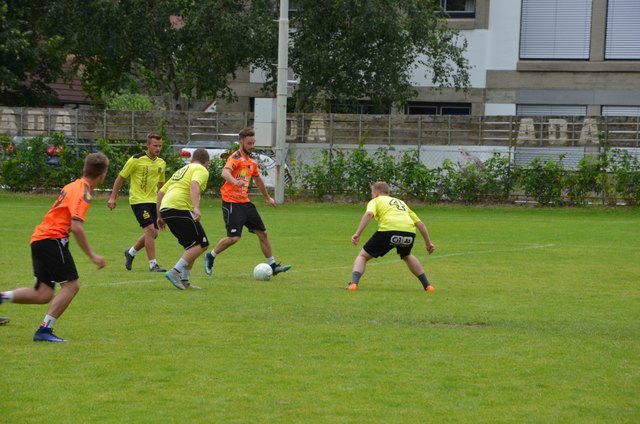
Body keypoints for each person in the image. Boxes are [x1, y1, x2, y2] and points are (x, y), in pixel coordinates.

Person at [0, 153, 109, 342]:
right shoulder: (83, 192)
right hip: (52, 239)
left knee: (43, 293)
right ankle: (44, 330)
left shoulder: (72, 185)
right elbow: (76, 227)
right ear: (103, 175)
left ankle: (2, 297)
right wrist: (92, 255)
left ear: (85, 168)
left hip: (40, 239)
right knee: (71, 286)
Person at [203, 127, 291, 277]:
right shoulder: (235, 157)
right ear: (241, 142)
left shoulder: (252, 162)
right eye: (249, 143)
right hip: (231, 203)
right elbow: (225, 172)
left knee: (262, 233)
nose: (252, 146)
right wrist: (234, 181)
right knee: (234, 238)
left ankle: (273, 265)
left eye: (253, 143)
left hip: (245, 203)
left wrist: (267, 197)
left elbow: (257, 179)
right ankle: (210, 256)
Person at [346, 181, 436, 292]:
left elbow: (369, 214)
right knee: (407, 255)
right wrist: (428, 243)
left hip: (388, 231)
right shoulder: (401, 203)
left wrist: (357, 233)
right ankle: (428, 286)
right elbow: (420, 224)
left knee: (362, 256)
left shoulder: (376, 200)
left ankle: (353, 284)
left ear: (376, 193)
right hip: (409, 232)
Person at [108, 133, 166, 272]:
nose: (158, 148)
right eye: (155, 145)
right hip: (138, 200)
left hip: (153, 201)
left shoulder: (161, 163)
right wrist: (113, 197)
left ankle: (131, 252)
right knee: (150, 230)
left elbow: (162, 186)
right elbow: (121, 178)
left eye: (160, 146)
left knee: (154, 233)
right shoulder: (136, 160)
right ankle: (153, 265)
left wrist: (163, 204)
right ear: (148, 145)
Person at [157, 148, 211, 290]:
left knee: (191, 246)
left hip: (167, 208)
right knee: (202, 243)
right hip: (179, 207)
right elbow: (194, 185)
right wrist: (196, 207)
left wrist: (159, 216)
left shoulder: (181, 171)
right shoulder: (201, 169)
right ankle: (175, 272)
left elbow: (160, 193)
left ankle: (185, 280)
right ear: (207, 163)